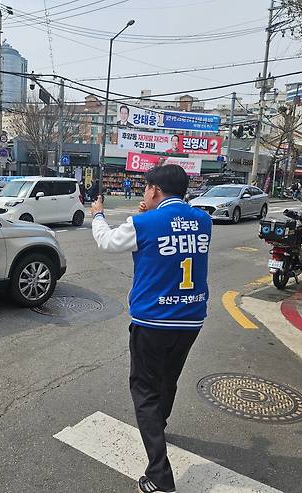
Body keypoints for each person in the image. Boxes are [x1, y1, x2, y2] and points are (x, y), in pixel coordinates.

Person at [90, 165, 212, 493]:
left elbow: (107, 242)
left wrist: (98, 215)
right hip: (191, 319)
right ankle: (160, 426)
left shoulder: (143, 223)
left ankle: (159, 474)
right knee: (168, 380)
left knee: (143, 390)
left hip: (153, 320)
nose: (145, 194)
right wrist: (148, 214)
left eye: (146, 189)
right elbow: (170, 235)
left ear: (154, 190)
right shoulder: (204, 220)